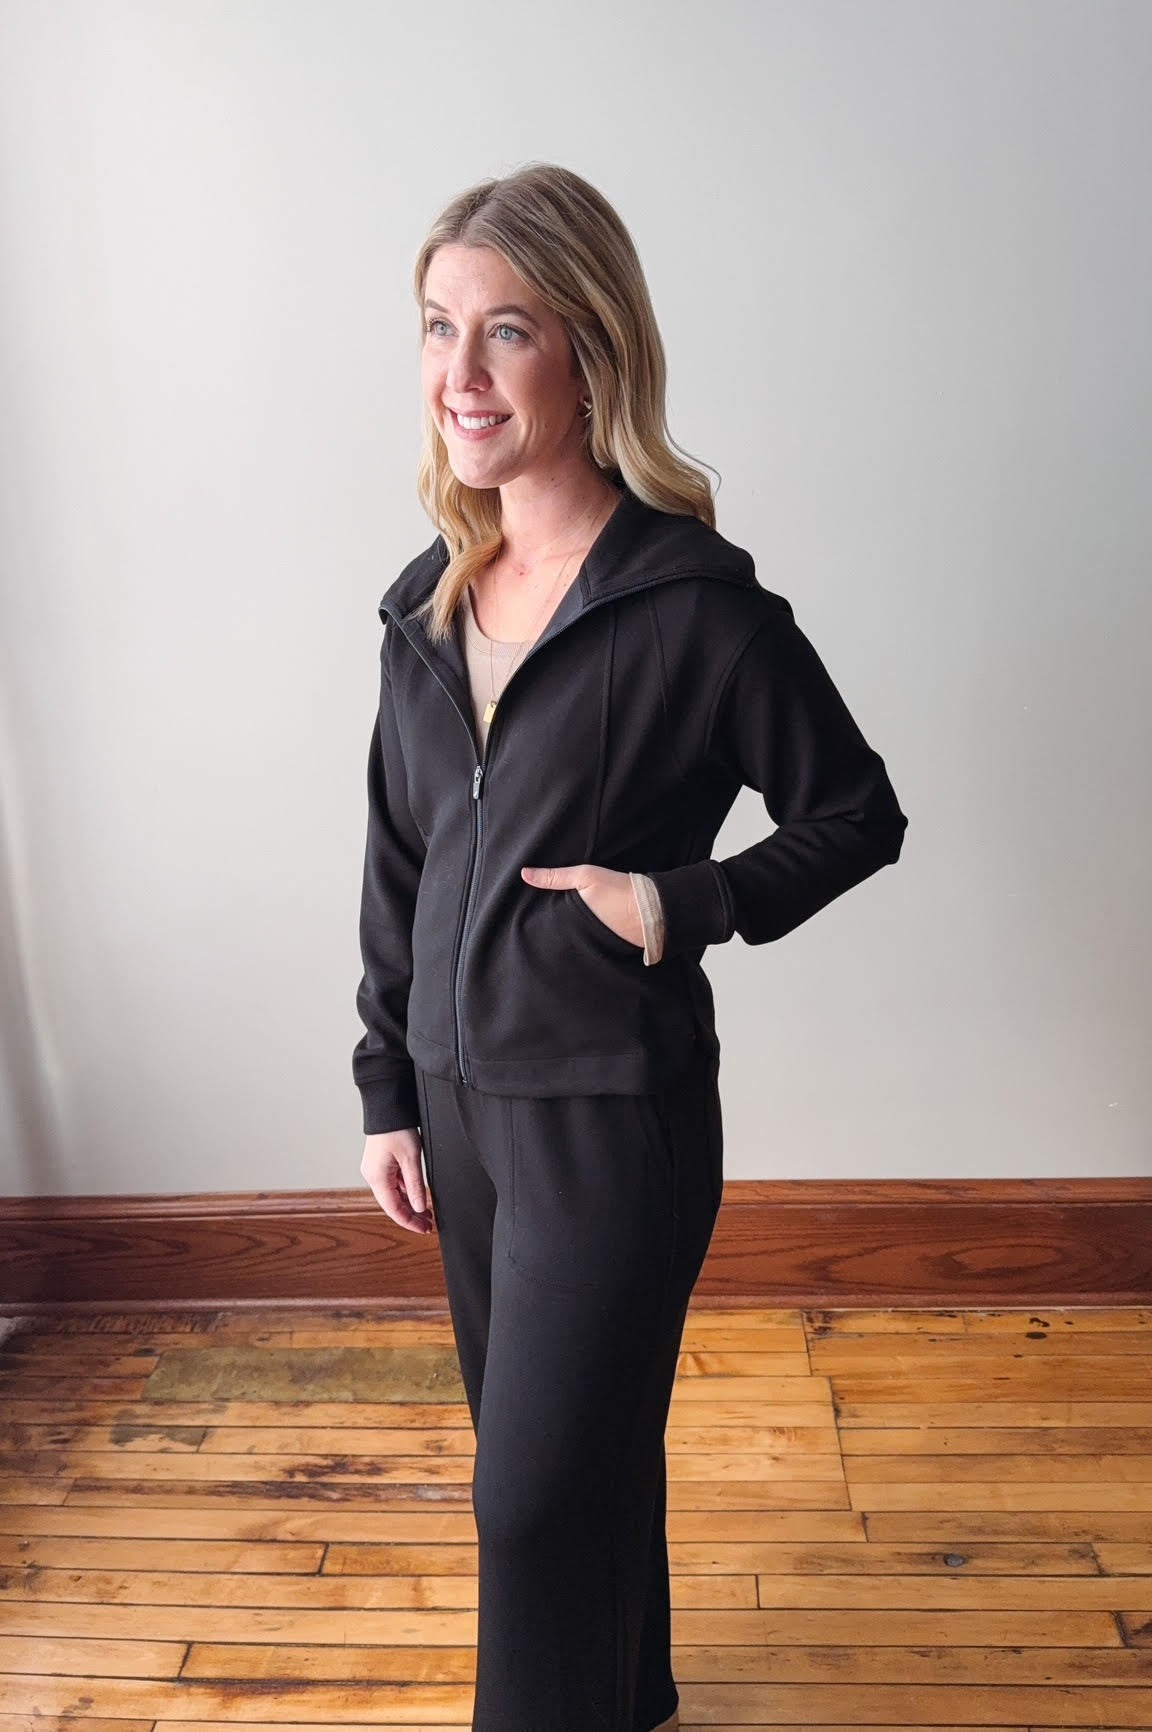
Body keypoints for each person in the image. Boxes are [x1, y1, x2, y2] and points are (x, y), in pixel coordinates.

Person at [353, 161, 908, 1732]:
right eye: (438, 327)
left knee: (528, 1500)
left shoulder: (698, 610)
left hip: (612, 1114)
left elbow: (854, 815)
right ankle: (626, 1696)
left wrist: (688, 901)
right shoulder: (429, 601)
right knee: (565, 1471)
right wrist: (387, 1082)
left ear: (589, 349)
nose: (461, 376)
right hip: (461, 1115)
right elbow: (399, 858)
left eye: (507, 331)